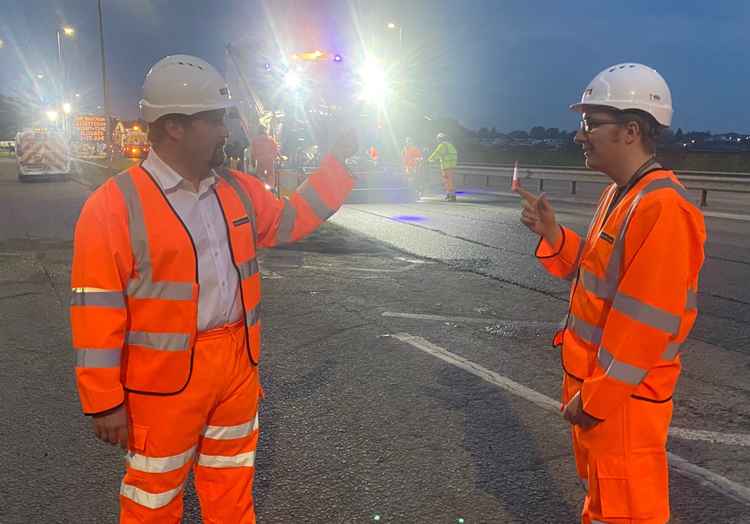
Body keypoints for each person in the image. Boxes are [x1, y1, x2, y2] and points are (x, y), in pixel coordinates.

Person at [69, 54, 357, 523]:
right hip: (162, 382)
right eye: (215, 119)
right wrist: (103, 400)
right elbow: (95, 311)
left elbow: (289, 219)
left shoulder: (236, 189)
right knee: (154, 497)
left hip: (237, 367)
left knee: (231, 482)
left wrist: (336, 166)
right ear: (175, 127)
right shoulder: (113, 206)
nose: (227, 131)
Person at [516, 63, 705, 523]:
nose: (580, 135)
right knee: (603, 510)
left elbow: (646, 324)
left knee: (627, 514)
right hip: (604, 396)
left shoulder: (662, 208)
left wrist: (598, 400)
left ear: (631, 130)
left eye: (590, 123)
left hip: (623, 404)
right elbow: (595, 272)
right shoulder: (621, 194)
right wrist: (554, 233)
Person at [428, 132, 458, 201]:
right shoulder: (450, 144)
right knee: (448, 180)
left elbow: (437, 153)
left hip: (446, 165)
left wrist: (429, 159)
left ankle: (452, 196)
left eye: (438, 139)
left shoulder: (442, 145)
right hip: (451, 165)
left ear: (440, 139)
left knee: (448, 181)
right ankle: (449, 194)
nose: (437, 141)